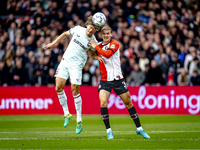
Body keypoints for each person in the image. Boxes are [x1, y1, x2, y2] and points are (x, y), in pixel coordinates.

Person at [43, 15, 104, 134]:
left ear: (96, 31)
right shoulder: (78, 29)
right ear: (88, 25)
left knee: (74, 90)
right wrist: (53, 43)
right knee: (58, 87)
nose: (91, 30)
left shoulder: (93, 41)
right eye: (91, 27)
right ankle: (66, 113)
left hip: (77, 65)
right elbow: (65, 34)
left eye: (94, 29)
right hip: (65, 61)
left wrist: (96, 56)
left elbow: (92, 53)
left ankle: (79, 120)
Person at [89, 26, 150, 139]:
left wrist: (95, 47)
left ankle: (139, 128)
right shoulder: (99, 45)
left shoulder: (115, 44)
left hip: (118, 79)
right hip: (104, 80)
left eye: (108, 33)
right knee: (103, 103)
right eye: (104, 34)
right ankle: (109, 131)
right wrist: (95, 56)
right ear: (101, 35)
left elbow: (107, 54)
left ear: (111, 34)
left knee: (128, 103)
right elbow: (90, 52)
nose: (106, 35)